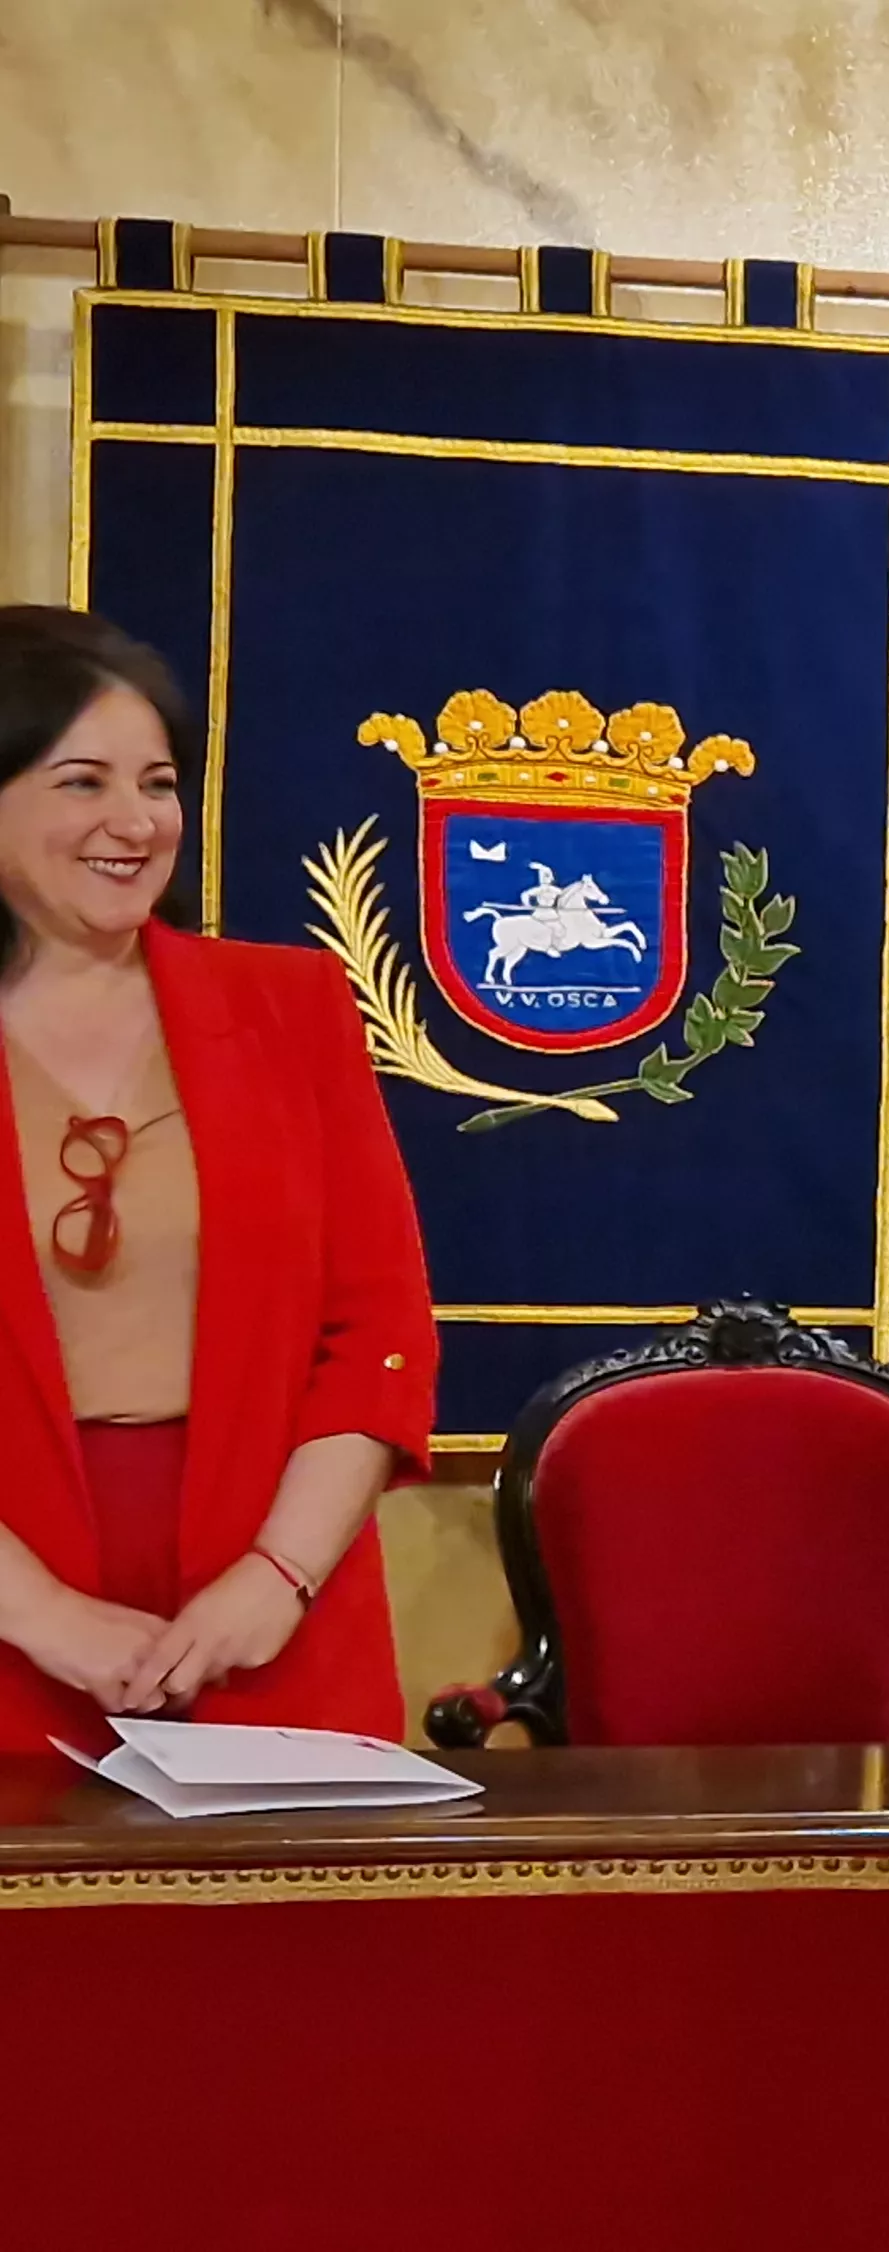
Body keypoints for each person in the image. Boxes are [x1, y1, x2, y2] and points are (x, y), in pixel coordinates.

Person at [0, 606, 436, 1755]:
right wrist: (38, 1612)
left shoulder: (291, 1009)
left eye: (159, 783)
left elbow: (379, 1327)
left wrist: (276, 1576)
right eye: (83, 782)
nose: (136, 823)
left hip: (269, 1614)